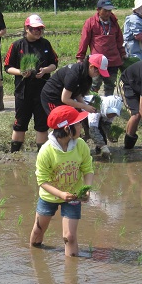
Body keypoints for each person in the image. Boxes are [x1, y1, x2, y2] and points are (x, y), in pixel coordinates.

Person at [30, 106, 94, 257]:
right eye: (77, 124)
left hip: (73, 196)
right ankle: (34, 260)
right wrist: (60, 194)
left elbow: (88, 169)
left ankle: (71, 269)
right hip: (49, 197)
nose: (81, 126)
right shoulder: (46, 151)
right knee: (38, 231)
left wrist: (87, 188)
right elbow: (42, 181)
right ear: (67, 128)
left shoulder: (80, 145)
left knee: (69, 236)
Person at [4, 14, 59, 153]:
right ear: (26, 28)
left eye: (40, 28)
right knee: (20, 123)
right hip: (23, 91)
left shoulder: (45, 44)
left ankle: (42, 156)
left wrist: (45, 70)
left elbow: (54, 63)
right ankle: (15, 155)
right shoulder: (17, 45)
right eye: (35, 28)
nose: (38, 31)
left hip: (42, 91)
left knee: (42, 125)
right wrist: (21, 72)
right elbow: (7, 67)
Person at [76, 0, 126, 96]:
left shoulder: (114, 23)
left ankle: (108, 104)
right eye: (105, 10)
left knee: (110, 86)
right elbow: (84, 40)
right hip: (97, 62)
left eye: (110, 11)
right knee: (94, 85)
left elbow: (119, 40)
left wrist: (123, 53)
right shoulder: (90, 22)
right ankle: (91, 103)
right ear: (98, 10)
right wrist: (80, 57)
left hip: (113, 61)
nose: (108, 13)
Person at [40, 54, 109, 115]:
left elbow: (77, 93)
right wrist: (84, 106)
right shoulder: (74, 75)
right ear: (91, 67)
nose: (98, 75)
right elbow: (65, 99)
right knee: (61, 121)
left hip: (64, 97)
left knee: (73, 121)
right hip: (52, 97)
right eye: (98, 72)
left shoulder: (85, 74)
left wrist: (85, 106)